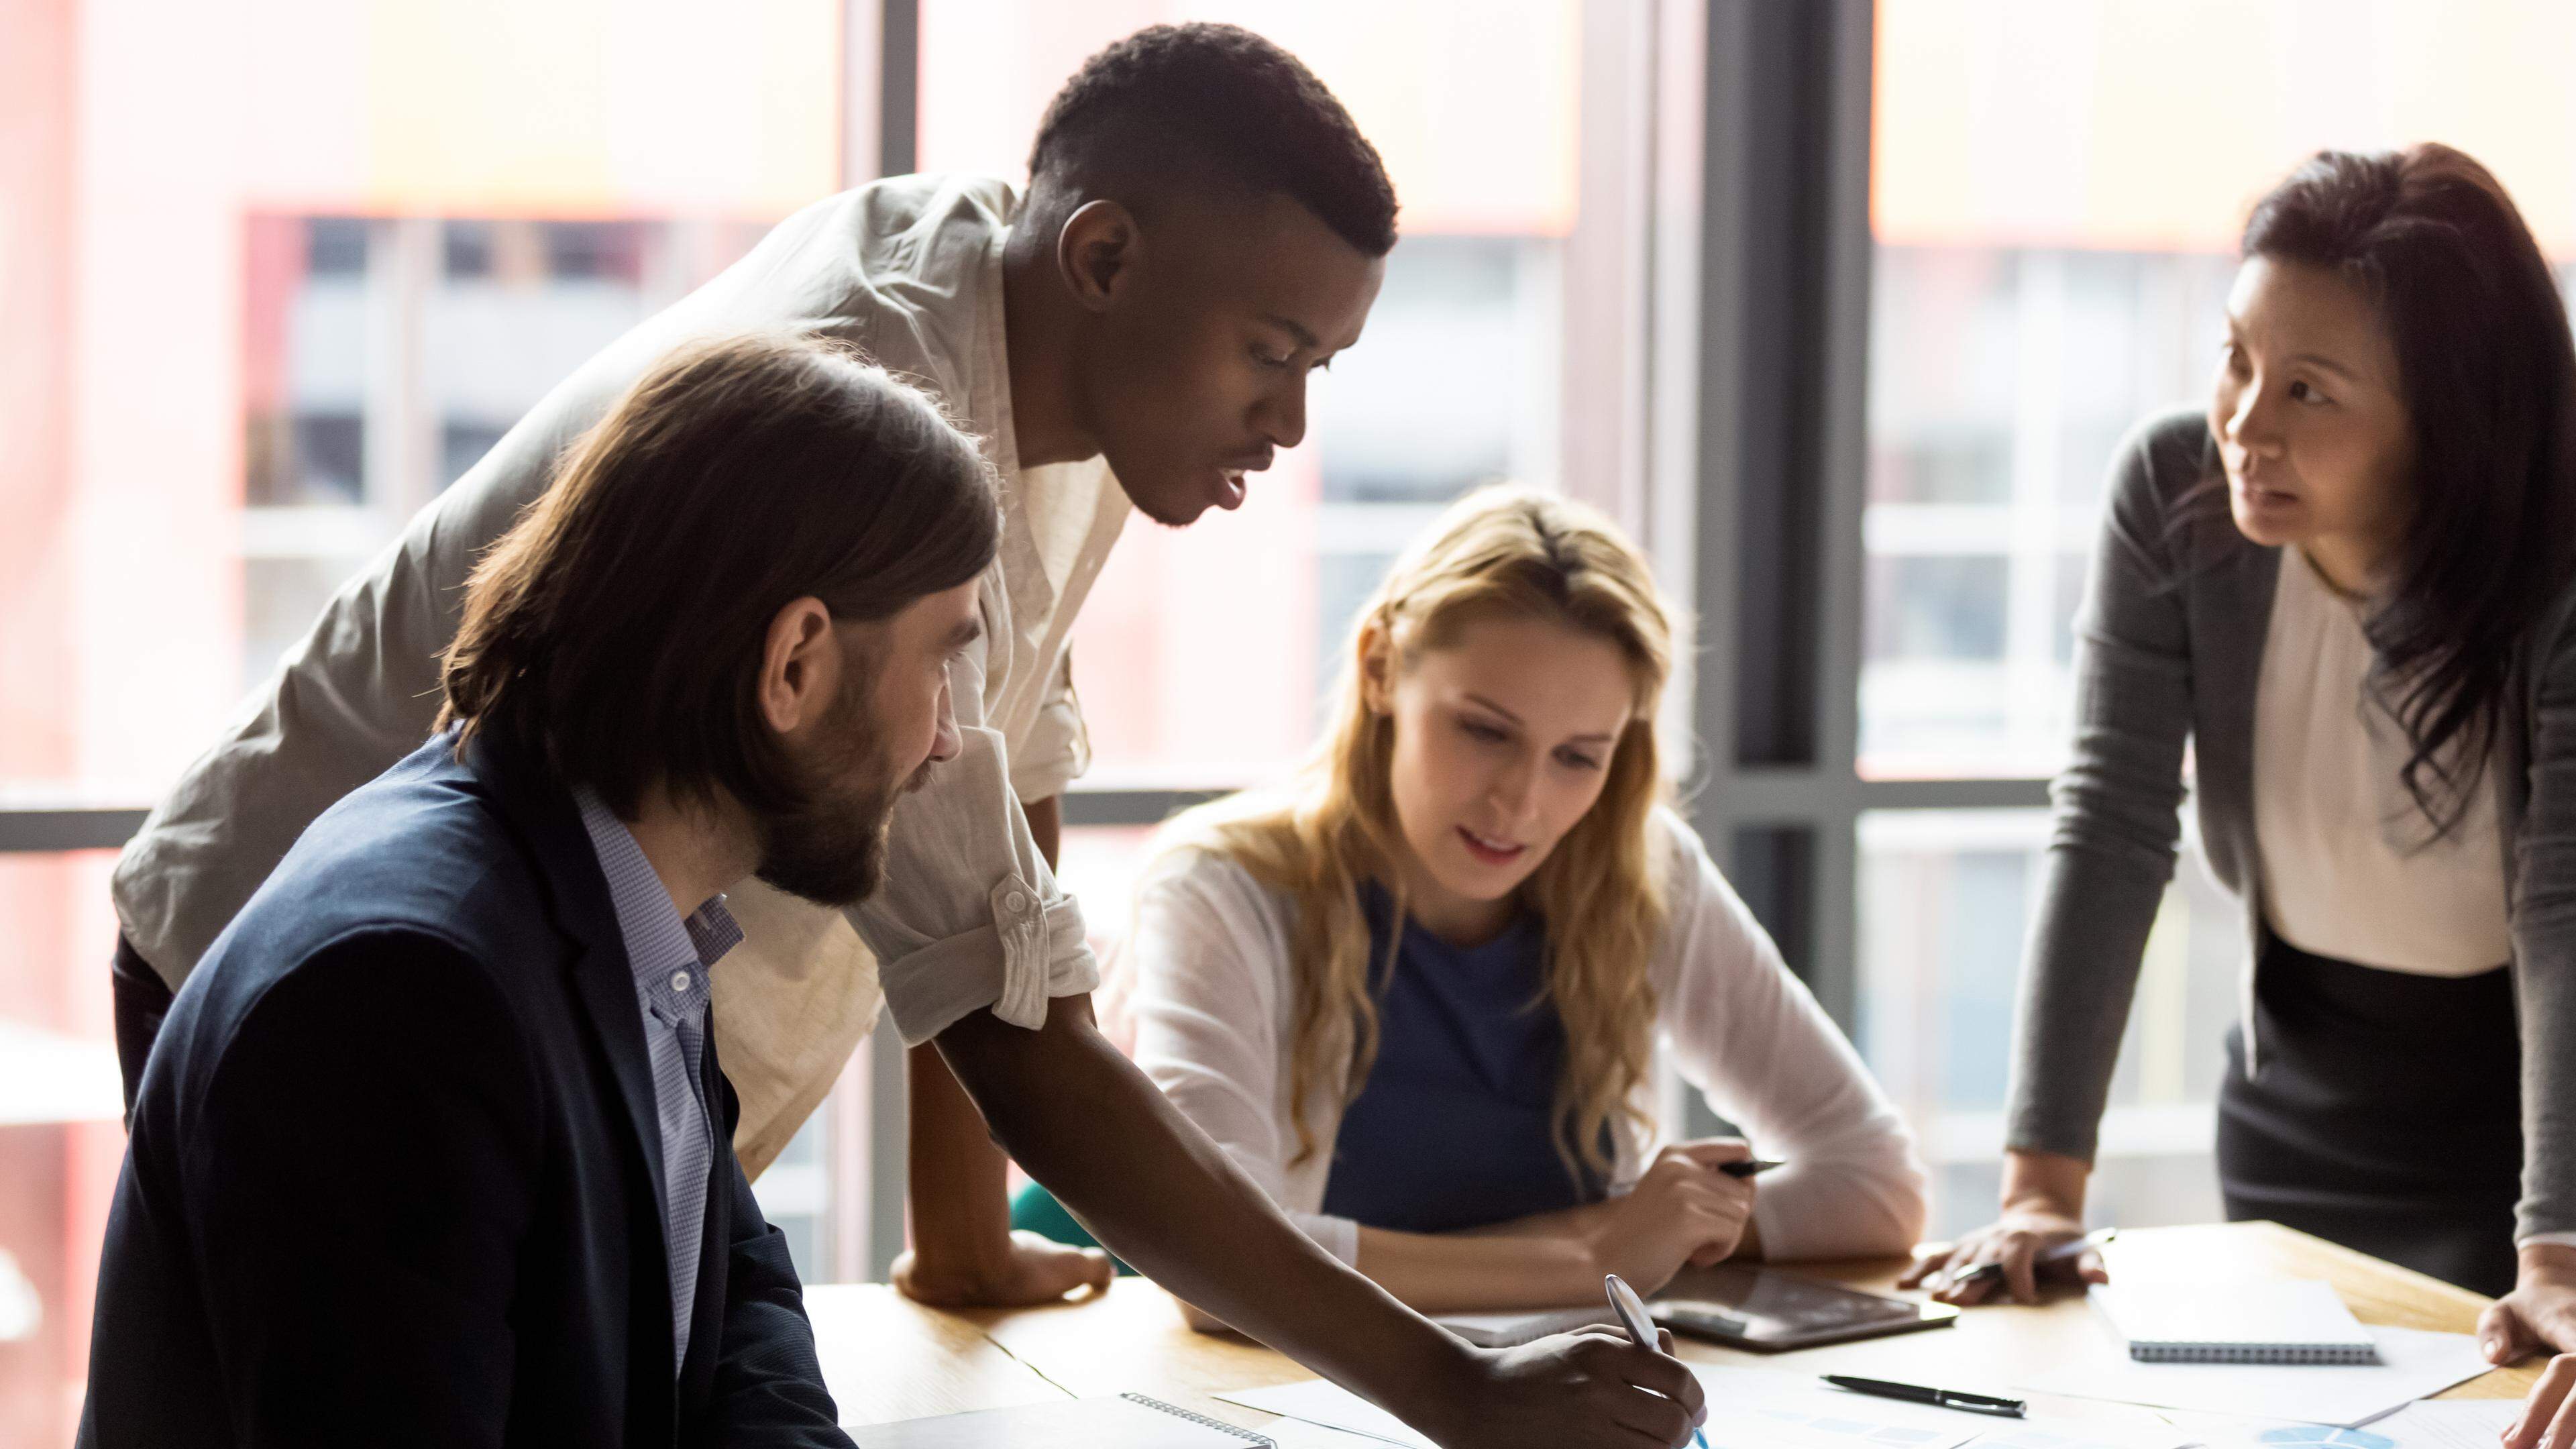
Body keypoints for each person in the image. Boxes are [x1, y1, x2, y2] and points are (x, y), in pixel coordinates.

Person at [98, 27, 1709, 1448]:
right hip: (366, 985)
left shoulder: (1056, 341)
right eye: (1273, 356)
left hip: (584, 990)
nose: (1291, 426)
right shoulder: (885, 404)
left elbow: (1006, 796)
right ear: (1104, 255)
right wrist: (1462, 1399)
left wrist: (963, 1236)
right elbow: (1015, 1032)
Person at [79, 333, 994, 1446]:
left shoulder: (619, 896)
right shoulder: (403, 996)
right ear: (794, 663)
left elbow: (736, 1290)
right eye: (942, 659)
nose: (947, 739)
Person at [1904, 144, 2576, 1366]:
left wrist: (2561, 1254)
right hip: (2297, 1111)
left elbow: (2566, 900)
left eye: (2309, 392)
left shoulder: (2557, 565)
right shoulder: (2174, 495)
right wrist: (2041, 1191)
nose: (2243, 426)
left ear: (2451, 416)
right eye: (2235, 358)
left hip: (2543, 1153)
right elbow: (2110, 824)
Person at [1016, 486, 1926, 1316]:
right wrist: (1594, 1255)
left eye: (1579, 756)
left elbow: (1878, 1186)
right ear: (1380, 669)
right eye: (1485, 730)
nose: (1522, 804)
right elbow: (1217, 1271)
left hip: (1498, 1389)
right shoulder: (1220, 891)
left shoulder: (1642, 872)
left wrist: (1651, 1234)